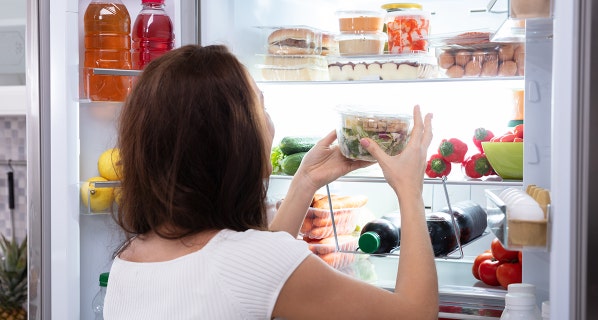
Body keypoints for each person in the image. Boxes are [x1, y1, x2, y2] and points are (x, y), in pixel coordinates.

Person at [103, 44, 439, 319]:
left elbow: (253, 276)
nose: (269, 121)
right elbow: (416, 314)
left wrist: (305, 181)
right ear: (235, 141)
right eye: (260, 106)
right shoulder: (246, 261)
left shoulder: (130, 257)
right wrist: (409, 191)